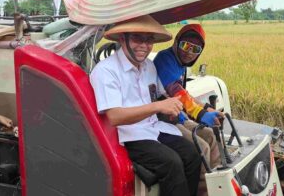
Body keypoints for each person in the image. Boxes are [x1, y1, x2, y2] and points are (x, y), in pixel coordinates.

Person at [90, 15, 201, 196]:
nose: (144, 45)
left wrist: (183, 109)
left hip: (152, 128)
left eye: (149, 40)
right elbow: (114, 117)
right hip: (128, 135)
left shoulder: (148, 65)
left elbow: (162, 94)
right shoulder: (106, 71)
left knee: (192, 154)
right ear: (122, 39)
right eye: (137, 38)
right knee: (171, 162)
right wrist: (158, 107)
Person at [153, 24, 222, 195]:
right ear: (176, 42)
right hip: (161, 119)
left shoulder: (180, 64)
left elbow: (186, 94)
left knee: (210, 136)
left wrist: (205, 107)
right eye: (185, 45)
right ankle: (201, 192)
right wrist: (200, 113)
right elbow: (175, 91)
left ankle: (216, 184)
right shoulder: (165, 59)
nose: (189, 52)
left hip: (177, 117)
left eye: (195, 49)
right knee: (202, 147)